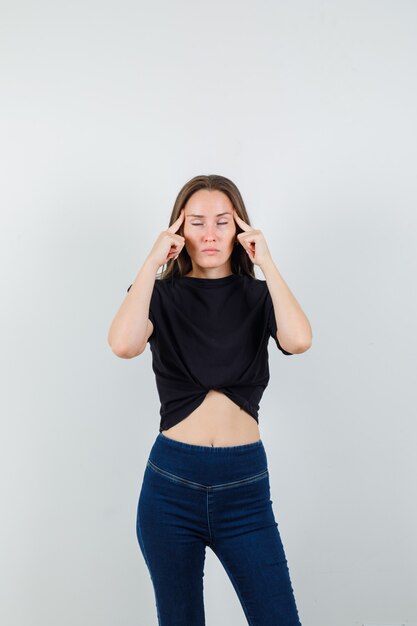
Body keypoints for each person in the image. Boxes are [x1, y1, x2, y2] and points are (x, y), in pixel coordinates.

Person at [107, 174, 312, 625]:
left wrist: (268, 263)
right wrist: (151, 262)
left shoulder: (259, 296)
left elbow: (298, 340)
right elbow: (123, 345)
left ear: (240, 229)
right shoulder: (159, 297)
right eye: (197, 222)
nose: (211, 233)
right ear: (179, 230)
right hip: (171, 488)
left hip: (245, 491)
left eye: (223, 221)